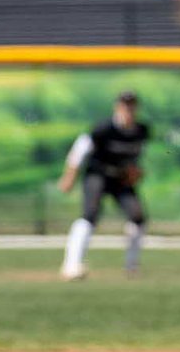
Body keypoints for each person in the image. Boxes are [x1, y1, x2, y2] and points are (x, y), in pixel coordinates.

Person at [57, 90, 149, 281]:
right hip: (98, 174)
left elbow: (136, 158)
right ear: (117, 107)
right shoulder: (103, 129)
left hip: (120, 178)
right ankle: (71, 265)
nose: (128, 110)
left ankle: (132, 266)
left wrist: (135, 172)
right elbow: (79, 151)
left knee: (138, 216)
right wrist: (69, 177)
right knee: (90, 215)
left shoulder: (141, 130)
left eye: (132, 106)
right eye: (125, 106)